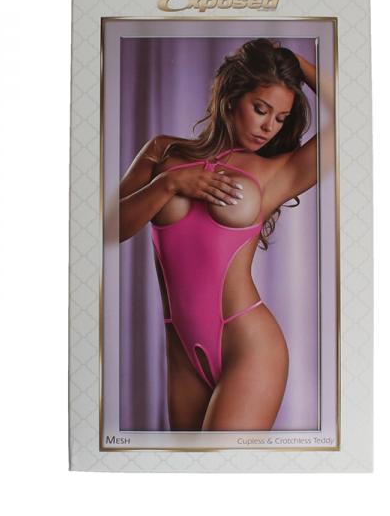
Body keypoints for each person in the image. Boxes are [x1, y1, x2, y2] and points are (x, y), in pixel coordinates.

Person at [119, 38, 321, 431]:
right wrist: (170, 184)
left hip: (250, 346)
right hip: (181, 352)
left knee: (225, 462)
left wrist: (297, 63)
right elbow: (109, 228)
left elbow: (356, 119)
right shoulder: (164, 152)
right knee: (190, 466)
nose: (269, 126)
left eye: (281, 118)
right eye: (260, 109)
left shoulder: (277, 171)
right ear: (231, 96)